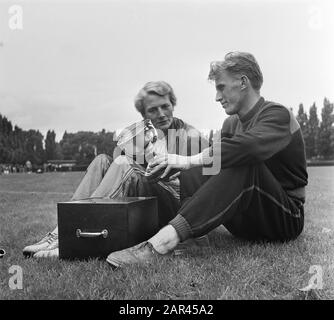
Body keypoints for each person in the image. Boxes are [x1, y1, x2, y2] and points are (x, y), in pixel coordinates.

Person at [106, 52, 308, 268]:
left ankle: (160, 244)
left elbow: (249, 148)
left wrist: (187, 161)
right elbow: (215, 161)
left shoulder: (278, 114)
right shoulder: (230, 124)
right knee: (204, 160)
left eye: (221, 87)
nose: (217, 97)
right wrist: (173, 168)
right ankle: (195, 240)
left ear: (243, 82)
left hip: (283, 219)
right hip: (242, 222)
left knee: (237, 163)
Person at [23, 81, 209, 258]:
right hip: (149, 199)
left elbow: (206, 184)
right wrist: (136, 150)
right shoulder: (146, 135)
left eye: (165, 106)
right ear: (144, 115)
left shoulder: (190, 135)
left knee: (123, 164)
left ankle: (71, 237)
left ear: (173, 104)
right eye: (153, 110)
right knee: (101, 161)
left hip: (174, 209)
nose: (161, 114)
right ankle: (59, 232)